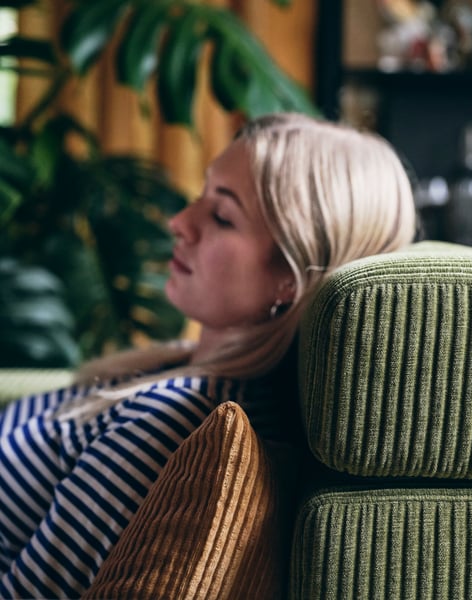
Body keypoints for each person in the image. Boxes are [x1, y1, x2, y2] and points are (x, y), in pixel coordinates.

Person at [0, 112, 416, 598]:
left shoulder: (172, 421)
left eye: (222, 216)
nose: (179, 222)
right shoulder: (178, 367)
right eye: (203, 195)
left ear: (290, 275)